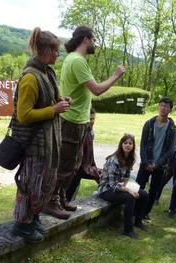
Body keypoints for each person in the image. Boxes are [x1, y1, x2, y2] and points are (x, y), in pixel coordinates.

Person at [44, 26, 125, 219]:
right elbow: (96, 90)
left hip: (78, 122)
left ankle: (62, 198)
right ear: (85, 39)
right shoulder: (77, 61)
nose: (95, 43)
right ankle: (50, 202)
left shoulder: (73, 59)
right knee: (65, 166)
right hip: (71, 122)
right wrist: (116, 75)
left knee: (73, 165)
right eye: (94, 39)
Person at [11, 27, 70, 243]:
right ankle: (21, 224)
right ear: (45, 50)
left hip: (49, 142)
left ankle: (33, 218)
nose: (58, 55)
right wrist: (54, 110)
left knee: (45, 184)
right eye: (56, 51)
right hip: (34, 144)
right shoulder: (30, 78)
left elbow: (47, 101)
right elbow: (24, 115)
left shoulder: (47, 72)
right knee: (30, 184)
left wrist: (60, 101)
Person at [98, 134, 149, 240]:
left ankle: (138, 221)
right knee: (130, 197)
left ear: (133, 146)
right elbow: (112, 185)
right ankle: (128, 229)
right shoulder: (114, 160)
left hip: (119, 185)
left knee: (144, 194)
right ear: (121, 144)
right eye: (125, 143)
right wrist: (129, 191)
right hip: (106, 189)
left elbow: (125, 178)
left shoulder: (130, 159)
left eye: (130, 143)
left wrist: (132, 188)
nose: (128, 145)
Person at [136, 97, 176, 220]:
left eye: (166, 106)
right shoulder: (149, 123)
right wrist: (145, 161)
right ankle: (134, 210)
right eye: (161, 105)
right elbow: (142, 144)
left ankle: (146, 212)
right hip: (146, 162)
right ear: (159, 107)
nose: (163, 108)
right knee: (138, 186)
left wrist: (157, 164)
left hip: (160, 165)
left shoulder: (172, 128)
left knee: (154, 190)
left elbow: (170, 149)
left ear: (170, 110)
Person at [66, 106, 101, 201]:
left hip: (85, 165)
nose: (92, 121)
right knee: (72, 186)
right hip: (76, 166)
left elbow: (90, 153)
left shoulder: (91, 132)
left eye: (94, 118)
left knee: (103, 175)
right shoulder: (80, 131)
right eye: (90, 119)